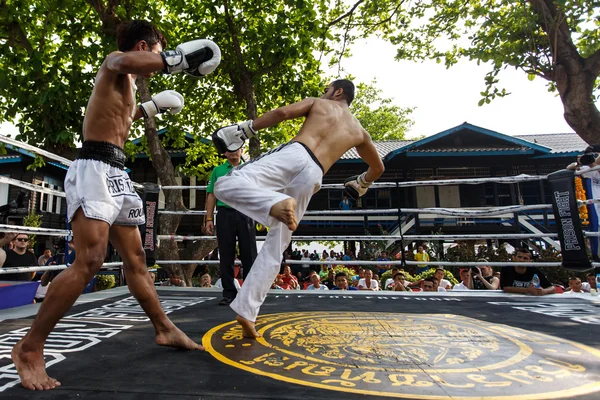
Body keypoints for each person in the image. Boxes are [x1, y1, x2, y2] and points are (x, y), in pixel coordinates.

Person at [11, 20, 221, 390]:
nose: (159, 59)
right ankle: (29, 348)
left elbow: (120, 118)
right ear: (144, 47)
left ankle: (164, 328)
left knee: (137, 259)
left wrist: (150, 108)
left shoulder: (127, 88)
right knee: (90, 259)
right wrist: (179, 59)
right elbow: (122, 63)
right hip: (93, 167)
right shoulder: (115, 64)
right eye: (158, 51)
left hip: (117, 172)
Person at [212, 79, 384, 337]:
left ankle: (274, 203)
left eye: (327, 89)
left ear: (337, 92)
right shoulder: (359, 131)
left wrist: (245, 129)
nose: (324, 92)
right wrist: (361, 183)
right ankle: (247, 312)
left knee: (225, 184)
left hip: (295, 154)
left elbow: (282, 113)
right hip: (314, 174)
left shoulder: (320, 104)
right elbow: (378, 168)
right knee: (276, 245)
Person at [205, 148, 257, 305]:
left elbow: (258, 192)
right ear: (225, 153)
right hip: (224, 213)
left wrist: (261, 215)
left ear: (241, 150)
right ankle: (229, 293)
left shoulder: (251, 167)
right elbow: (211, 194)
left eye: (236, 149)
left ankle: (250, 294)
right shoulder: (218, 170)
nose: (233, 152)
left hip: (246, 212)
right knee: (226, 254)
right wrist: (208, 218)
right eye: (229, 150)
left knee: (250, 254)